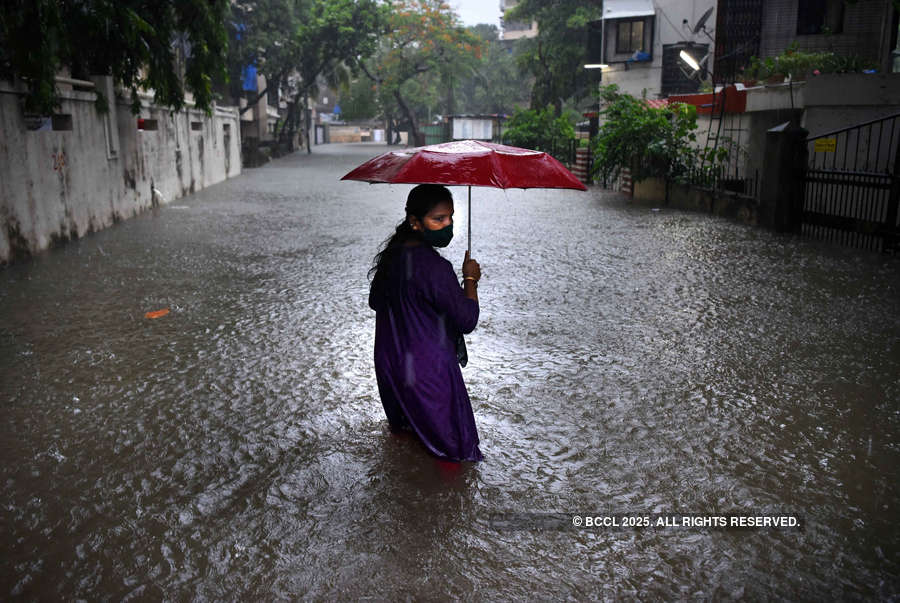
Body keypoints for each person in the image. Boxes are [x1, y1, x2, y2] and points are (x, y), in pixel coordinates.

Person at [368, 184, 484, 462]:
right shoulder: (436, 269)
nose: (448, 225)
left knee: (407, 446)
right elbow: (467, 319)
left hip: (392, 366)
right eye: (439, 219)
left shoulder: (392, 257)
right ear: (415, 222)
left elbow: (375, 301)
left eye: (451, 218)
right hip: (429, 371)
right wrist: (470, 280)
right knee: (456, 454)